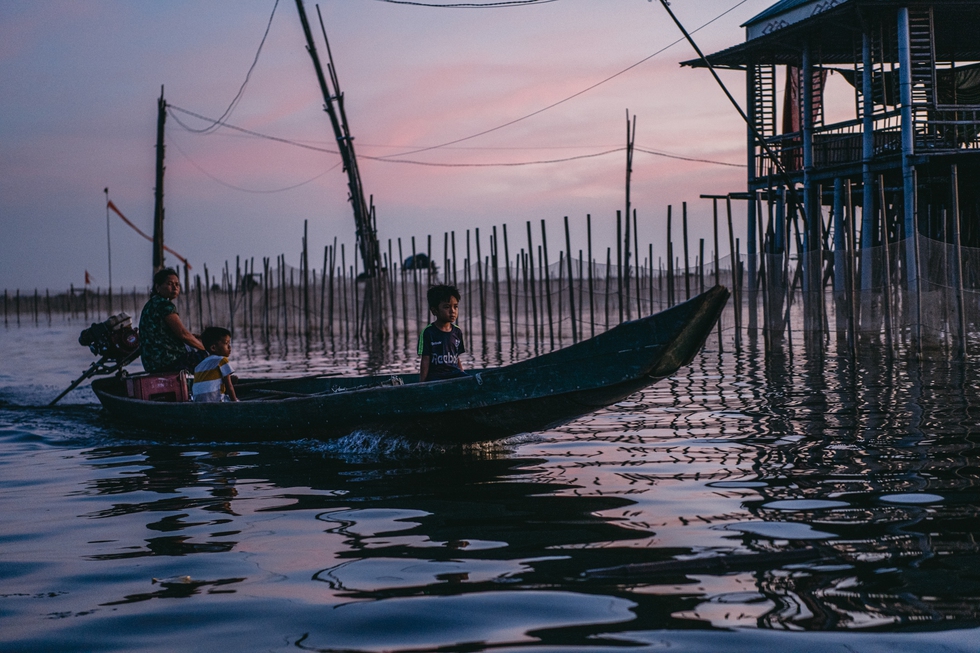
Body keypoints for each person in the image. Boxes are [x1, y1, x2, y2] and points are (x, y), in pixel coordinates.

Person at [139, 268, 206, 373]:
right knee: (207, 356)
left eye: (177, 284)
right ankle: (222, 382)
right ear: (157, 287)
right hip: (167, 361)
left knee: (197, 343)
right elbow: (183, 334)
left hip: (151, 363)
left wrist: (194, 338)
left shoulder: (151, 304)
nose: (175, 287)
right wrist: (204, 349)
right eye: (169, 284)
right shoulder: (164, 305)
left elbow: (165, 334)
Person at [418, 284, 467, 382]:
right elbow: (425, 360)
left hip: (454, 373)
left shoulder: (457, 331)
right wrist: (422, 384)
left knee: (471, 380)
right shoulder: (428, 332)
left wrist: (463, 375)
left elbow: (456, 357)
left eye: (455, 306)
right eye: (447, 307)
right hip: (436, 376)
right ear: (434, 311)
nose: (452, 311)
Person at [192, 326, 238, 402]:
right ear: (213, 348)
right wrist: (235, 403)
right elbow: (229, 386)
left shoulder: (200, 364)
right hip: (215, 402)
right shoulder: (222, 360)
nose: (230, 347)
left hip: (198, 402)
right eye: (226, 343)